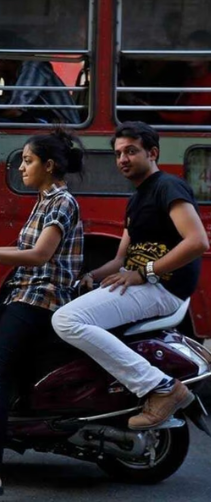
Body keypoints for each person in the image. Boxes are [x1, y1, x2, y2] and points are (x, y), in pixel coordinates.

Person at [0, 130, 85, 497]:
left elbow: (39, 256)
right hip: (23, 294)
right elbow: (23, 248)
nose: (21, 167)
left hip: (42, 299)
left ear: (48, 165)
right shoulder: (43, 200)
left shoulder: (61, 203)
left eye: (28, 161)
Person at [52, 122, 208, 430]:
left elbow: (197, 241)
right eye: (118, 153)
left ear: (152, 153)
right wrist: (88, 278)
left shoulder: (168, 187)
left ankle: (162, 388)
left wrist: (145, 272)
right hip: (143, 282)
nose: (123, 159)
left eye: (131, 151)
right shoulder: (137, 199)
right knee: (64, 312)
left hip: (163, 288)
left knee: (67, 321)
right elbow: (121, 259)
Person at [0, 31, 80, 124]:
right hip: (45, 119)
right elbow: (6, 104)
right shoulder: (15, 73)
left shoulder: (33, 67)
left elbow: (15, 111)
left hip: (62, 126)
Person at [157, 30, 211, 126]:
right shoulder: (189, 80)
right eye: (188, 49)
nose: (190, 54)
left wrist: (162, 115)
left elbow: (197, 119)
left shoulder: (208, 83)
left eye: (197, 49)